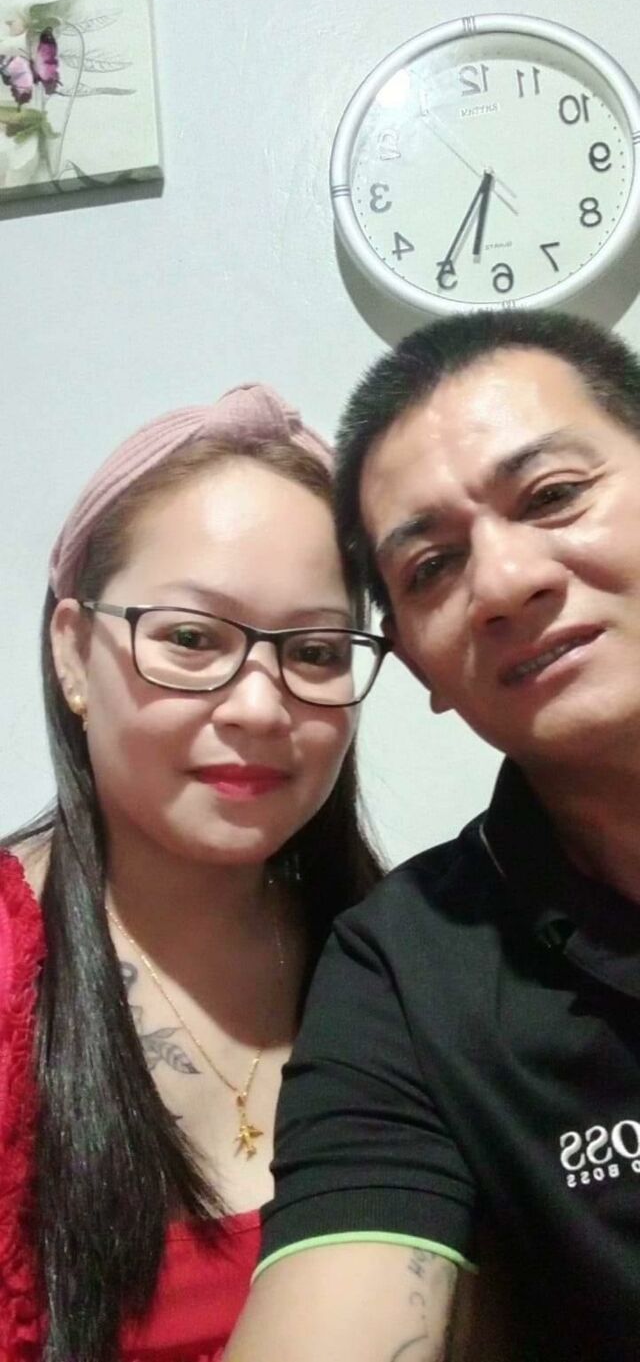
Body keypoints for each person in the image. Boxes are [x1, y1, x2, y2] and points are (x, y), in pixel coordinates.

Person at [226, 312, 640, 1362]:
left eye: (552, 496)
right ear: (417, 665)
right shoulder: (405, 969)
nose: (502, 583)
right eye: (432, 566)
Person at [0, 382, 388, 1362]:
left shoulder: (408, 960)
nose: (259, 706)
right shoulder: (11, 963)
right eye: (190, 637)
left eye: (315, 650)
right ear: (73, 653)